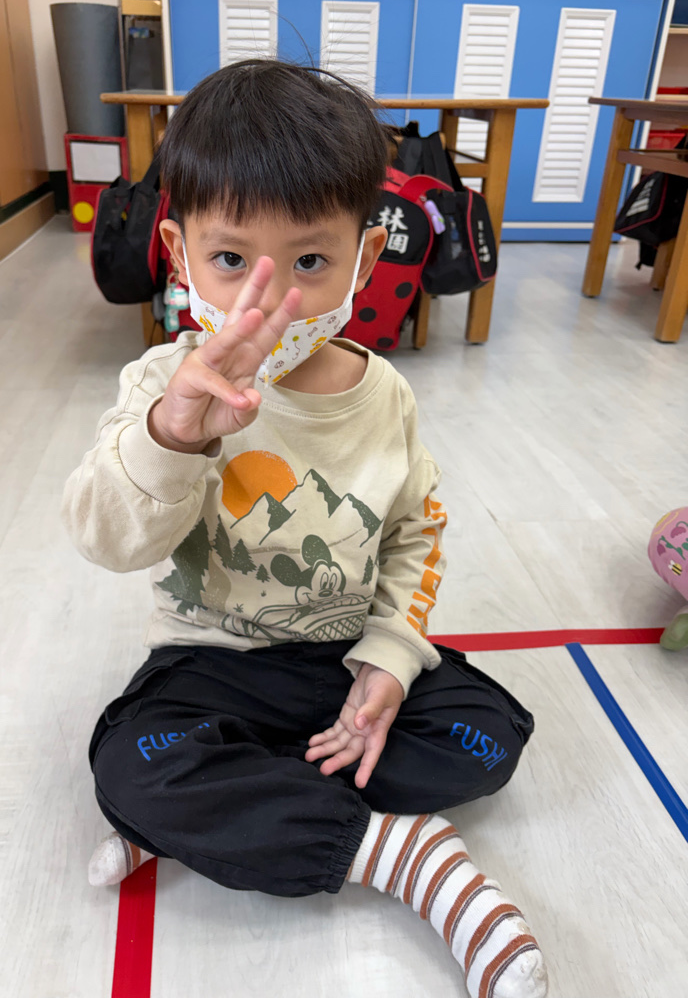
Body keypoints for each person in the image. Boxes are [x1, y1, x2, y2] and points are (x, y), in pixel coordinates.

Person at [62, 59, 548, 998]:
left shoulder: (385, 395)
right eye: (231, 260)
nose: (266, 300)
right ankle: (401, 855)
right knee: (130, 764)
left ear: (366, 258)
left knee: (492, 735)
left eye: (310, 264)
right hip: (210, 665)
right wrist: (173, 435)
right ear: (178, 252)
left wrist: (389, 662)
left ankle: (232, 803)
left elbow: (414, 536)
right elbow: (105, 540)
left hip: (340, 661)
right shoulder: (162, 386)